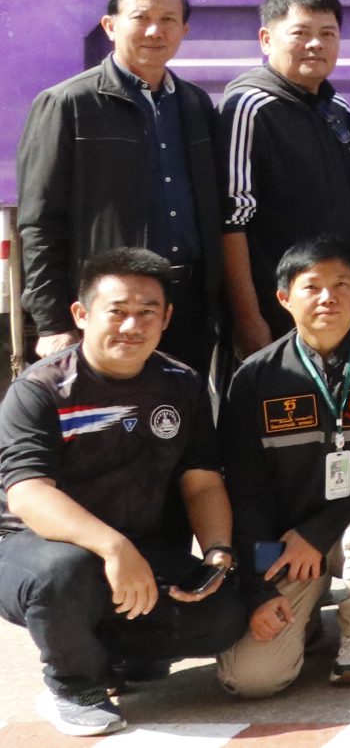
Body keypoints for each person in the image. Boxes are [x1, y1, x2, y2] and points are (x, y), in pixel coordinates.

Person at [0, 250, 246, 736]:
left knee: (222, 616)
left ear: (167, 318)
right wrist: (113, 547)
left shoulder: (182, 384)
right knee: (65, 575)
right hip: (36, 552)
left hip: (141, 550)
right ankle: (74, 686)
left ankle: (116, 654)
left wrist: (217, 551)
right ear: (81, 314)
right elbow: (28, 494)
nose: (132, 326)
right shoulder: (41, 389)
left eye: (147, 311)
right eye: (117, 311)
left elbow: (201, 481)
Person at [215, 239, 350, 695]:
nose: (327, 298)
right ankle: (306, 615)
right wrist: (259, 588)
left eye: (341, 285)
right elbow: (247, 491)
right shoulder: (255, 377)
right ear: (284, 298)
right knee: (250, 679)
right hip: (285, 545)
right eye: (311, 287)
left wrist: (318, 531)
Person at [16, 0, 228, 370]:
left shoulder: (195, 104)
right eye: (141, 18)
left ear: (184, 30)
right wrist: (52, 323)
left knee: (184, 406)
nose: (155, 30)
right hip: (112, 308)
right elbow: (40, 222)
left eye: (168, 19)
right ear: (110, 26)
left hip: (187, 305)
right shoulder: (68, 103)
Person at [220, 0, 350, 355]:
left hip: (333, 307)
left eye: (327, 33)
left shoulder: (337, 108)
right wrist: (249, 318)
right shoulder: (249, 107)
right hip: (278, 311)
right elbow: (231, 223)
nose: (316, 44)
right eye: (300, 33)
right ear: (266, 40)